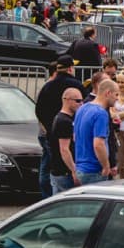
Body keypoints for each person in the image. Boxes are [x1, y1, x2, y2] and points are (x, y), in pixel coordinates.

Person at [35, 56, 85, 197]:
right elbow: (83, 109)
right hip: (70, 133)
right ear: (70, 68)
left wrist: (50, 129)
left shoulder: (48, 85)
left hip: (49, 134)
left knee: (48, 167)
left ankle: (46, 198)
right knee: (67, 166)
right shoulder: (76, 86)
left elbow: (39, 110)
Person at [73, 78, 118, 183]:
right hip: (94, 171)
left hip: (80, 168)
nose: (117, 99)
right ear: (108, 93)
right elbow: (98, 144)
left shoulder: (82, 108)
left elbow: (75, 137)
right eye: (116, 95)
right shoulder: (101, 113)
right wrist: (106, 166)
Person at [49, 87, 83, 193]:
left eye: (82, 101)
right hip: (63, 172)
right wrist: (74, 170)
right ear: (67, 100)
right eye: (77, 101)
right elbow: (64, 149)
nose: (81, 104)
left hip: (61, 171)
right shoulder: (63, 121)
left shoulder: (66, 119)